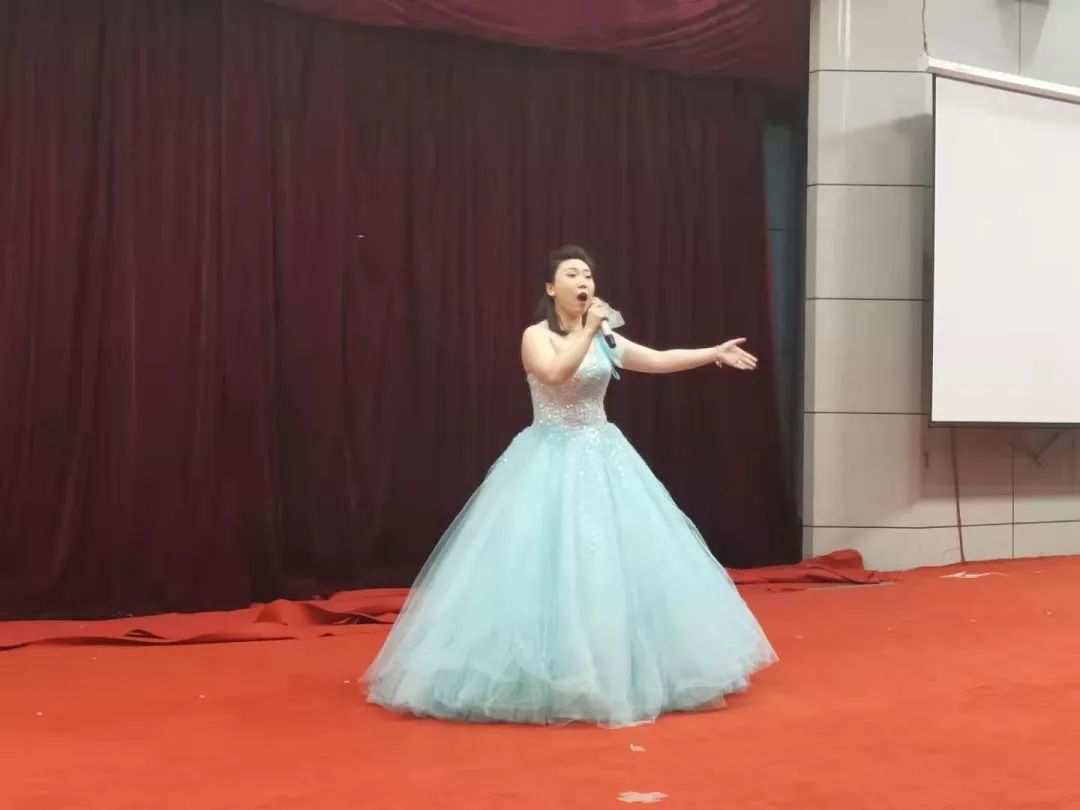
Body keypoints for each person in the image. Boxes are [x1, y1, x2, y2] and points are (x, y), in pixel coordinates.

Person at [363, 245, 776, 727]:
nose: (584, 282)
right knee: (541, 562)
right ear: (550, 287)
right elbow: (556, 374)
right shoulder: (536, 336)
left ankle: (617, 669)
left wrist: (712, 354)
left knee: (609, 562)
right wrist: (588, 331)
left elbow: (657, 359)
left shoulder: (604, 336)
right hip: (547, 454)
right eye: (572, 274)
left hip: (603, 454)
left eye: (588, 275)